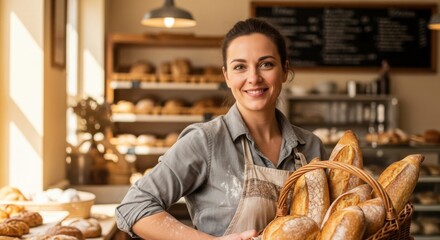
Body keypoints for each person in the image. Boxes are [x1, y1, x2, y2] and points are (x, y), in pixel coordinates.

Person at [115, 18, 326, 240]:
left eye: (266, 64)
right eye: (240, 67)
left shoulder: (311, 147)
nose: (253, 78)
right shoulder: (205, 142)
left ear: (284, 70)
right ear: (226, 76)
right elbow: (133, 206)